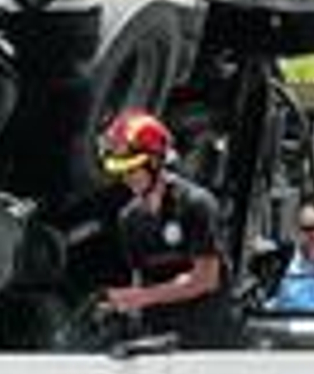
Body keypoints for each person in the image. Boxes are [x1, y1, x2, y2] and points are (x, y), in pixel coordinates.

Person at [98, 108, 237, 348]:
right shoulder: (129, 218)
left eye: (132, 168)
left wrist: (142, 297)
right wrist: (119, 307)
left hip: (207, 344)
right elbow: (141, 279)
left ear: (155, 161)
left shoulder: (196, 204)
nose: (126, 177)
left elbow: (206, 279)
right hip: (158, 342)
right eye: (120, 170)